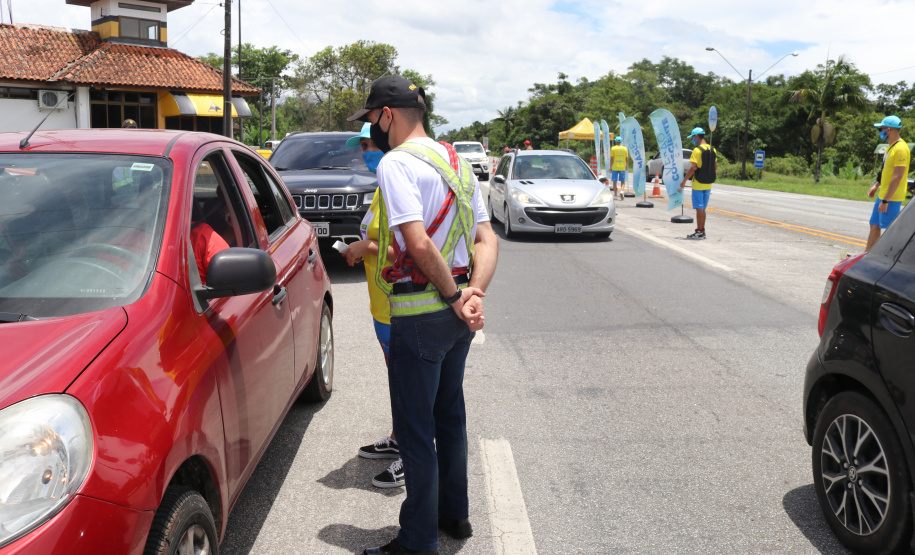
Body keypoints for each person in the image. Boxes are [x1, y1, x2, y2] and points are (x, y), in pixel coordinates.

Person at [349, 75, 498, 555]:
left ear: (388, 115)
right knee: (450, 417)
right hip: (456, 318)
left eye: (372, 118)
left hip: (419, 310)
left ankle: (417, 542)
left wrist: (455, 295)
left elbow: (416, 242)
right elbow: (486, 240)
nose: (373, 127)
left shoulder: (396, 164)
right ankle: (455, 516)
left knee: (415, 430)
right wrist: (473, 293)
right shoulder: (458, 162)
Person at [345, 122, 405, 489]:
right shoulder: (382, 188)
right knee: (397, 378)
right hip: (381, 305)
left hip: (398, 305)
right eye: (362, 146)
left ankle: (412, 455)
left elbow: (409, 250)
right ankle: (400, 439)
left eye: (369, 145)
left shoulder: (397, 188)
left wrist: (364, 247)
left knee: (410, 381)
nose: (364, 152)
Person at [866, 115, 909, 252]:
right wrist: (876, 186)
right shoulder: (891, 147)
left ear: (888, 130)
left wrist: (886, 200)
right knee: (874, 225)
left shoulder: (901, 149)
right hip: (883, 194)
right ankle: (867, 256)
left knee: (891, 232)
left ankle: (891, 260)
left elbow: (897, 177)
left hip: (891, 197)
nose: (880, 131)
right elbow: (885, 170)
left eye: (881, 128)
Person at [679, 127, 717, 240]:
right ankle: (702, 231)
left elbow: (692, 168)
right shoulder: (713, 149)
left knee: (699, 209)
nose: (693, 140)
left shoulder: (697, 150)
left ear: (696, 137)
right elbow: (715, 166)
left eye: (692, 137)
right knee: (702, 209)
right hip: (708, 183)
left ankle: (699, 231)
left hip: (698, 184)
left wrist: (684, 181)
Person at [610, 136, 629, 200]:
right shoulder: (625, 149)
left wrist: (610, 167)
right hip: (622, 167)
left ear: (616, 141)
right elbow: (626, 158)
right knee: (622, 181)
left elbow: (612, 158)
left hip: (615, 167)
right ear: (620, 142)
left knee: (614, 181)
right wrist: (626, 165)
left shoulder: (613, 148)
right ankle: (622, 190)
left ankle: (615, 195)